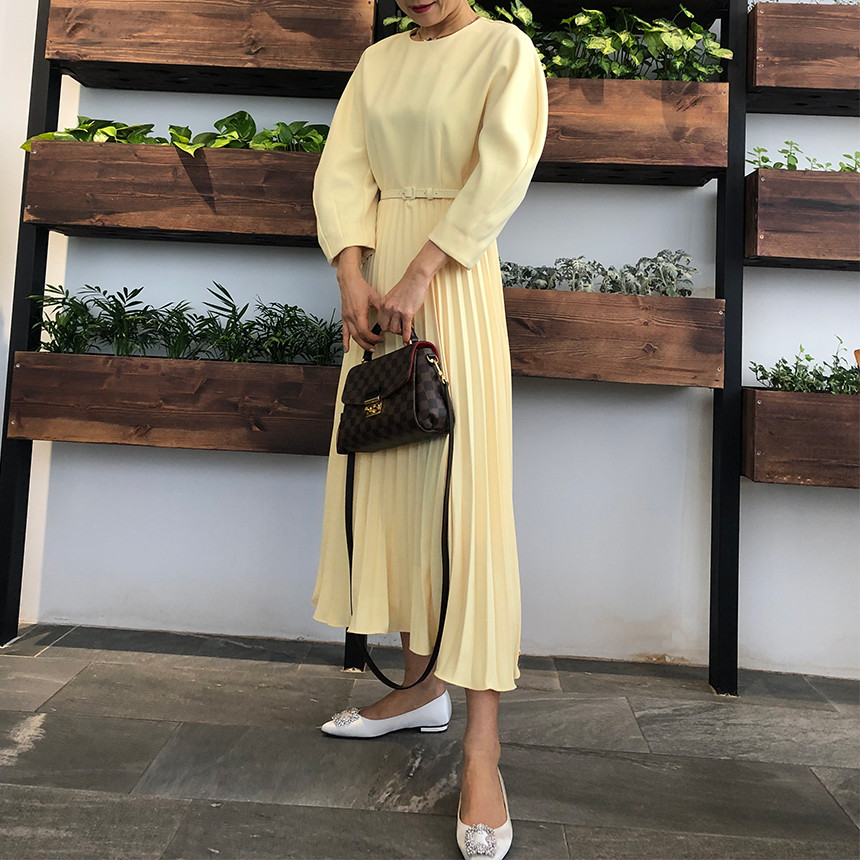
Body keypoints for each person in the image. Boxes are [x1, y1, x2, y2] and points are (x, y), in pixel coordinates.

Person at [311, 1, 548, 856]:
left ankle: (483, 753)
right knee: (393, 481)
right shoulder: (379, 61)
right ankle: (420, 689)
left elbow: (502, 171)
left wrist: (419, 273)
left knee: (465, 507)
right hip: (376, 293)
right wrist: (351, 273)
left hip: (451, 277)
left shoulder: (505, 51)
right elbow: (344, 167)